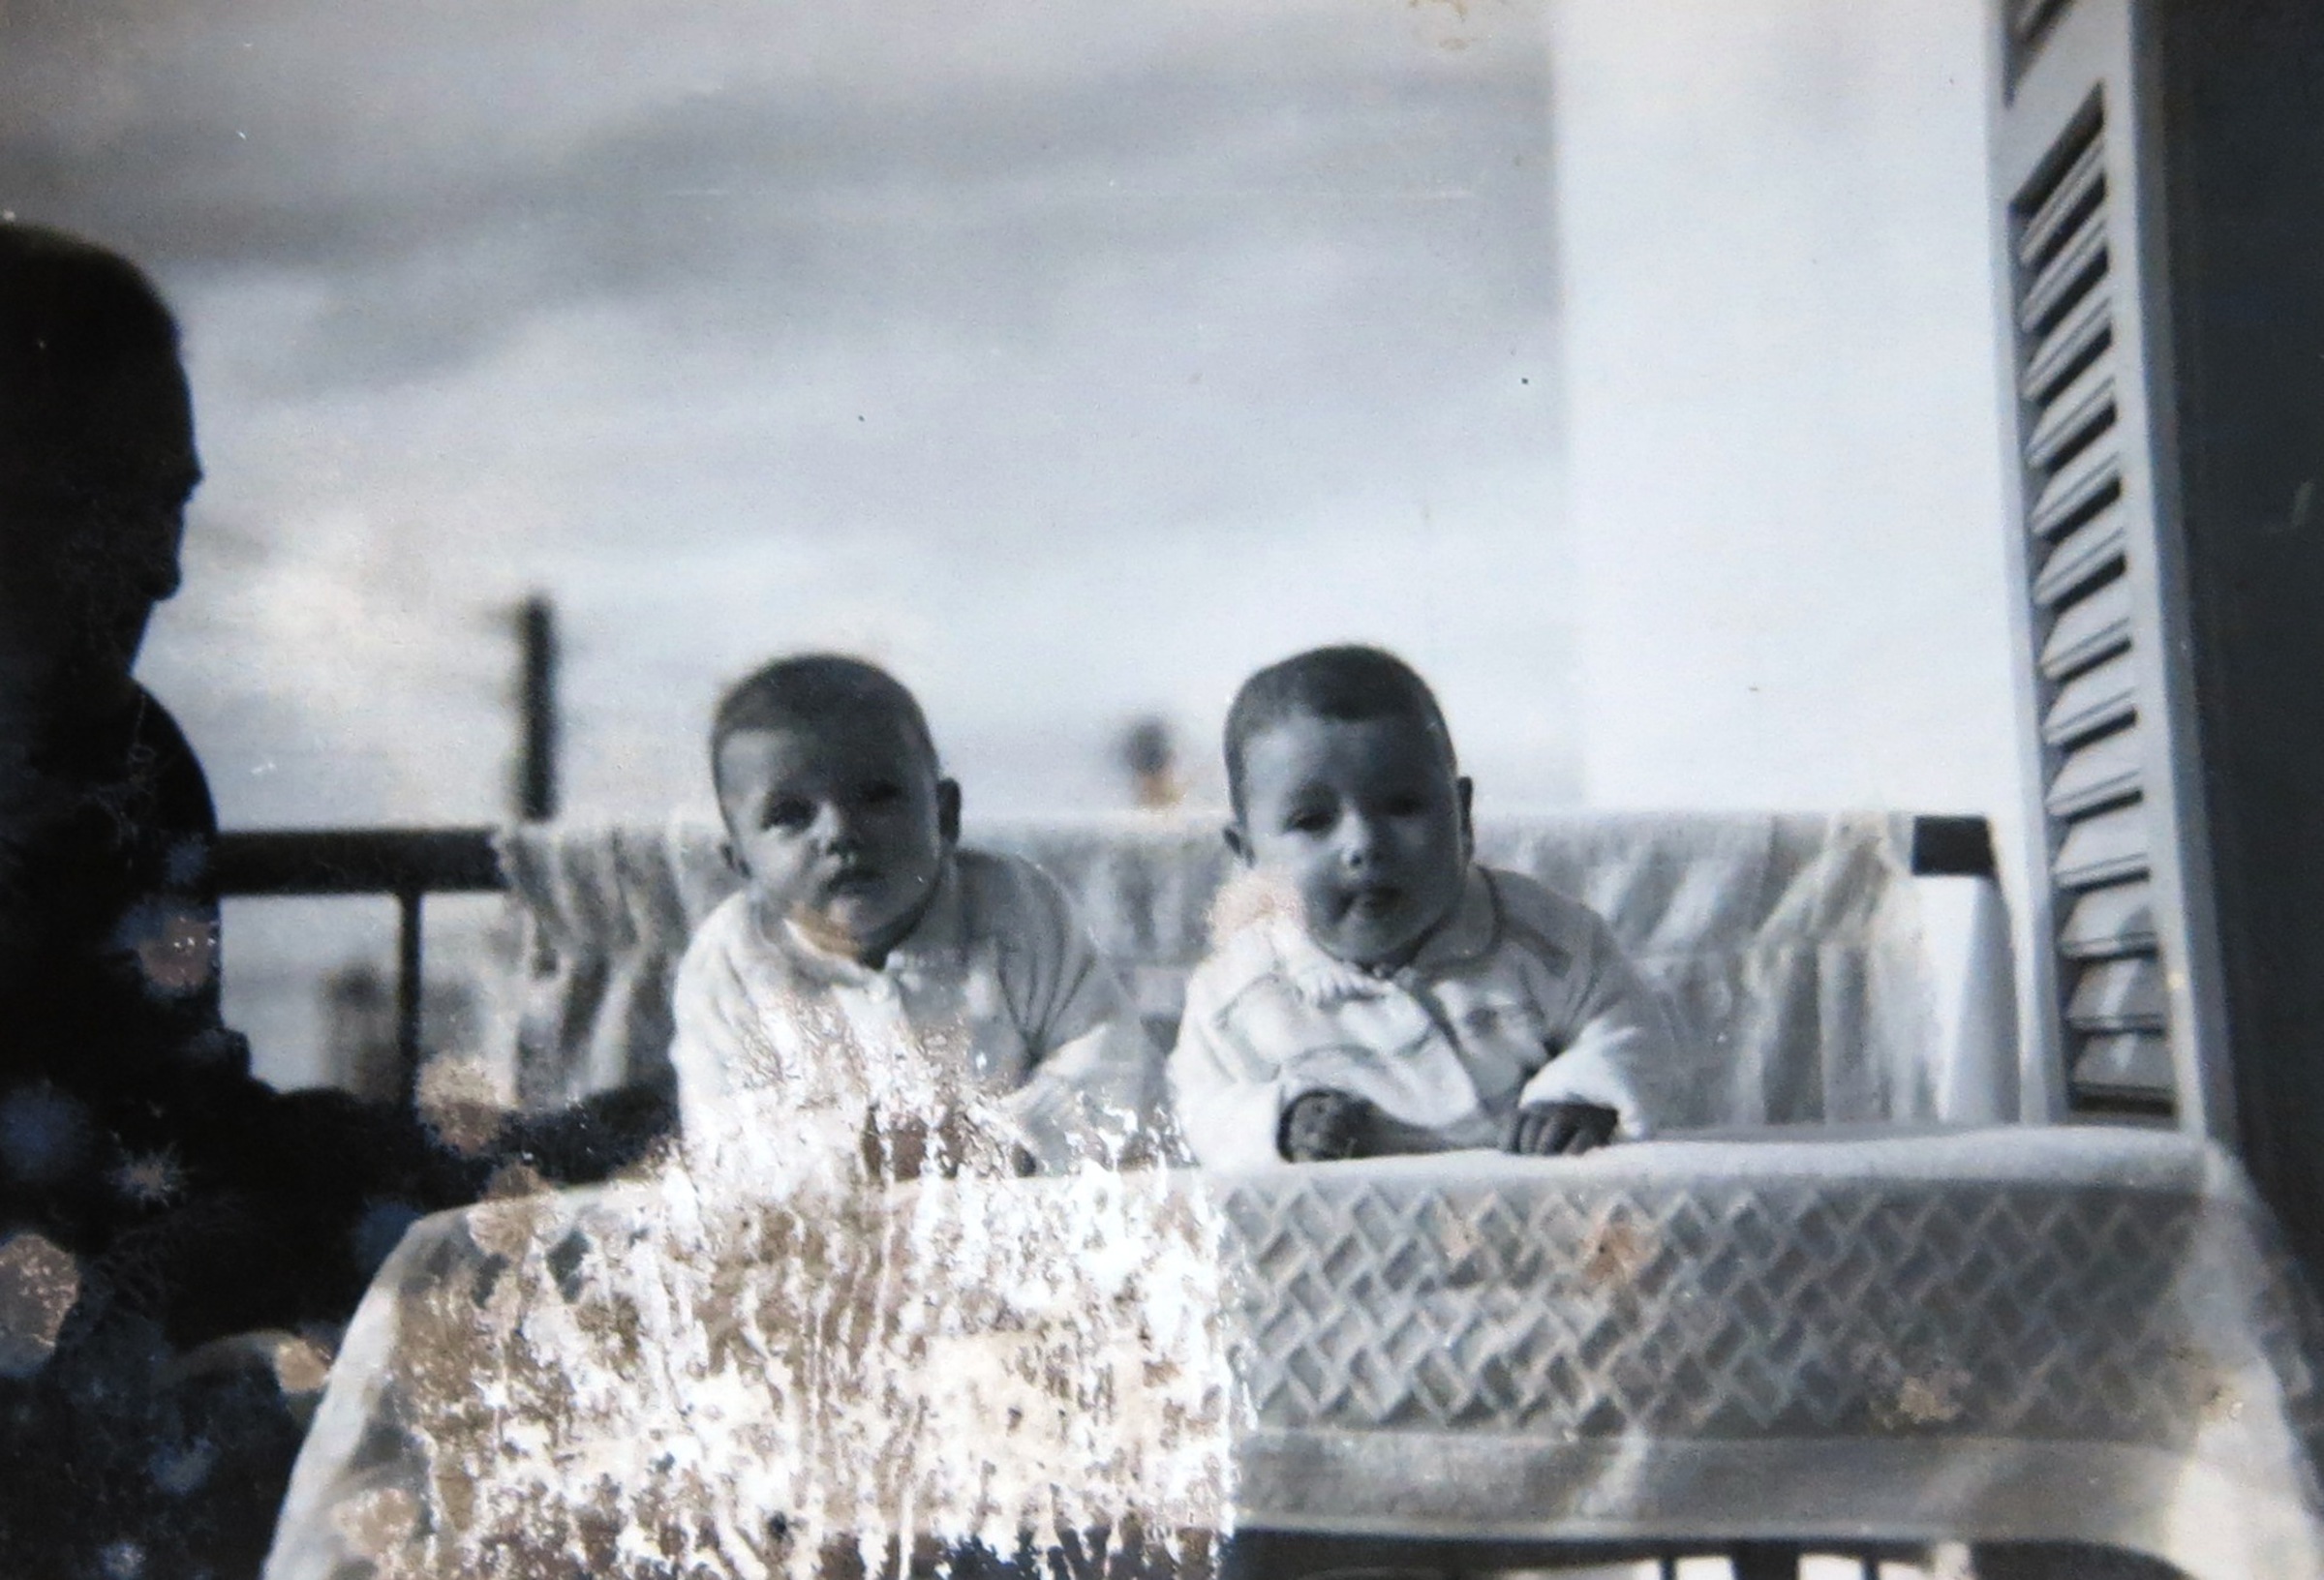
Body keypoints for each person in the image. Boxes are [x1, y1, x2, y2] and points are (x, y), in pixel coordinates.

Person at [0, 223, 662, 1575]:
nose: (167, 571)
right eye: (117, 505)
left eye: (176, 508)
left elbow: (191, 1117)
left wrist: (532, 1154)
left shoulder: (133, 764)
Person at [668, 654, 1173, 1191]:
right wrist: (861, 1151)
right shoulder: (732, 962)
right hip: (839, 1225)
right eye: (790, 814)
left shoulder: (1015, 909)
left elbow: (1111, 1057)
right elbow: (724, 1136)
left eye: (877, 796)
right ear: (741, 861)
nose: (839, 833)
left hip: (1020, 1202)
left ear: (945, 814)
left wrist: (1007, 1137)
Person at [1167, 645, 1678, 1169]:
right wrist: (1277, 1122)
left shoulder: (1545, 938)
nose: (1364, 843)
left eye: (1403, 806)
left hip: (1533, 1205)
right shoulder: (1236, 993)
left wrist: (1581, 1095)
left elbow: (1626, 1022)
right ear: (1250, 856)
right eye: (1312, 821)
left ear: (1462, 816)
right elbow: (1199, 1107)